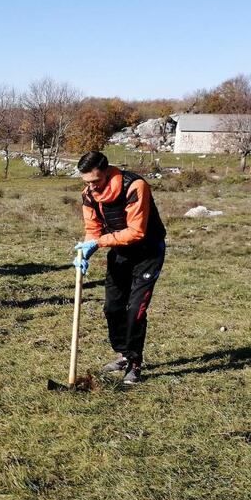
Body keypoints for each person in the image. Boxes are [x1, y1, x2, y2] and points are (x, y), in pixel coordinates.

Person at [73, 151, 166, 385]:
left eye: (96, 181)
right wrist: (86, 251)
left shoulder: (135, 186)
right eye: (87, 182)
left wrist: (99, 242)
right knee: (112, 307)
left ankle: (134, 363)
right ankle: (123, 355)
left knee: (136, 309)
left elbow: (137, 231)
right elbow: (93, 229)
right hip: (120, 251)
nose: (92, 187)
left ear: (107, 171)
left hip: (148, 252)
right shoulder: (89, 194)